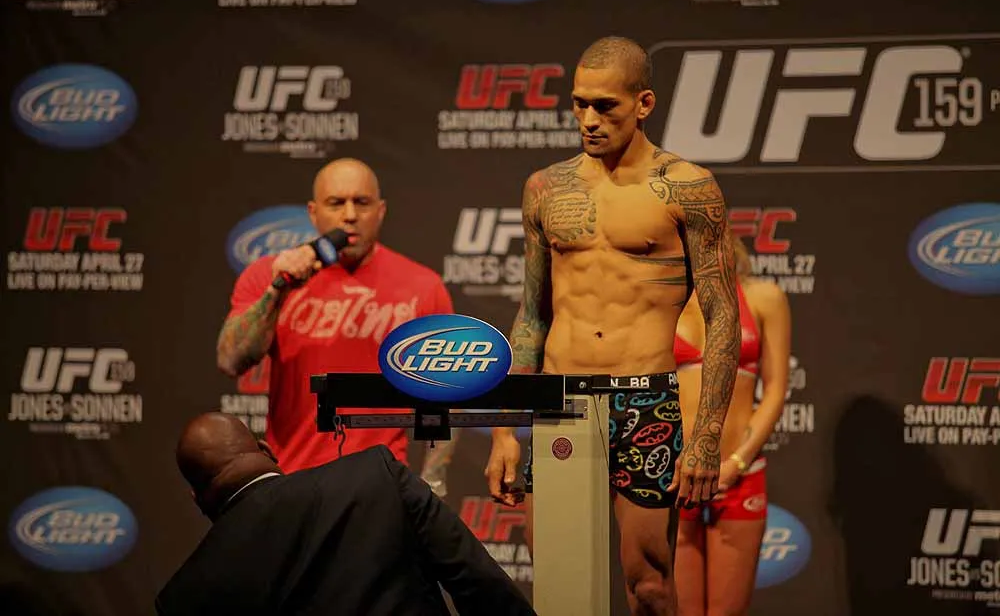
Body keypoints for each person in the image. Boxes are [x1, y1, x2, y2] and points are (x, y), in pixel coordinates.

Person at [485, 36, 742, 615]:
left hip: (644, 399)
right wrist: (503, 431)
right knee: (561, 589)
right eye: (579, 104)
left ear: (644, 103)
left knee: (649, 585)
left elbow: (723, 315)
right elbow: (532, 316)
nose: (588, 120)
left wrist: (706, 438)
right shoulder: (546, 188)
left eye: (605, 106)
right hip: (562, 399)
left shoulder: (688, 187)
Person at [155, 412, 537, 616]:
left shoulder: (185, 597)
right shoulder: (376, 475)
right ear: (266, 450)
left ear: (198, 499)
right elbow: (477, 581)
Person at [216, 158, 455, 473]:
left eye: (362, 202)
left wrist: (433, 481)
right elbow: (230, 360)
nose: (350, 215)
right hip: (293, 476)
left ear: (381, 210)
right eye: (336, 203)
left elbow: (443, 397)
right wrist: (278, 290)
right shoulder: (269, 275)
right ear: (313, 213)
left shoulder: (423, 287)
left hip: (382, 481)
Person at [673, 234, 790, 616]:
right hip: (675, 475)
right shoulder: (660, 303)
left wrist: (737, 463)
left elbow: (775, 390)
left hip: (740, 475)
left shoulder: (764, 297)